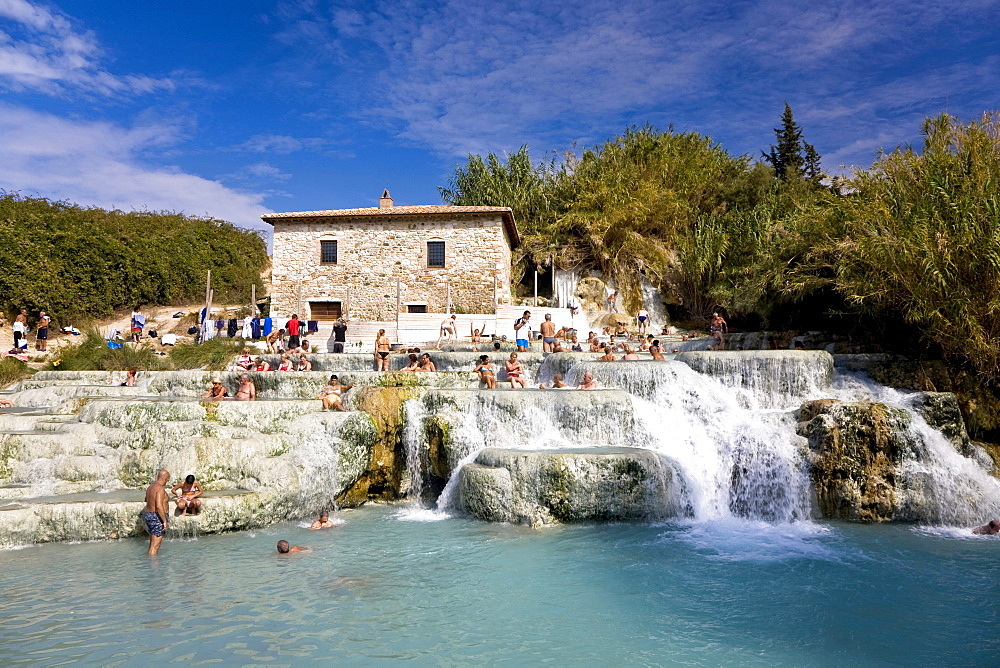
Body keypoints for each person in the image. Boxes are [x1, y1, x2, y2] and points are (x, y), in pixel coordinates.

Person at [143, 469, 171, 555]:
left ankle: (149, 563)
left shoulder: (150, 487)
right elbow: (159, 506)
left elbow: (146, 500)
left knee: (152, 545)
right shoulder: (160, 489)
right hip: (157, 517)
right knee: (155, 546)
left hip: (149, 515)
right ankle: (153, 566)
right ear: (165, 478)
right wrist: (164, 521)